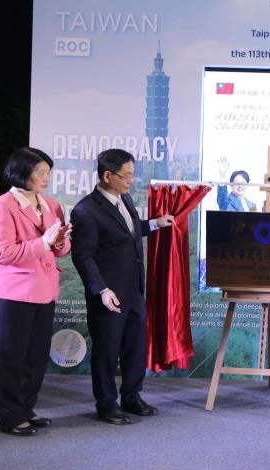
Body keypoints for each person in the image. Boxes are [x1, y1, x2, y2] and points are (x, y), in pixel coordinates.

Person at [70, 149, 174, 425]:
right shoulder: (85, 210)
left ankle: (132, 396)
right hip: (108, 295)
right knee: (106, 351)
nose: (131, 181)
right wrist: (101, 290)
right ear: (107, 175)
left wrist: (153, 224)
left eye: (132, 174)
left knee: (134, 347)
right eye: (126, 175)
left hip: (133, 290)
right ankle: (106, 404)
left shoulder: (124, 199)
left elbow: (127, 232)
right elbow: (83, 256)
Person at [0, 147, 73, 436]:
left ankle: (26, 408)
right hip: (12, 293)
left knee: (35, 356)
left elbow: (60, 250)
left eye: (48, 172)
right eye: (41, 172)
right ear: (22, 173)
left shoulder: (51, 205)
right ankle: (11, 416)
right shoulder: (2, 205)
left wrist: (60, 241)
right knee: (11, 356)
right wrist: (44, 244)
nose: (46, 178)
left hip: (45, 291)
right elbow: (0, 252)